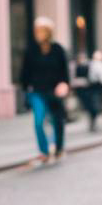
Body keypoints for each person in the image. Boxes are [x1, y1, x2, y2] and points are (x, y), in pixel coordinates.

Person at [19, 17, 69, 163]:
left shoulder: (58, 49)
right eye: (36, 30)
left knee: (57, 121)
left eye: (41, 30)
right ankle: (44, 151)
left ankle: (58, 148)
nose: (37, 33)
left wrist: (64, 84)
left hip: (54, 91)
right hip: (36, 91)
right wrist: (25, 89)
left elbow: (64, 72)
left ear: (48, 32)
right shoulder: (31, 50)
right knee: (39, 121)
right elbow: (25, 72)